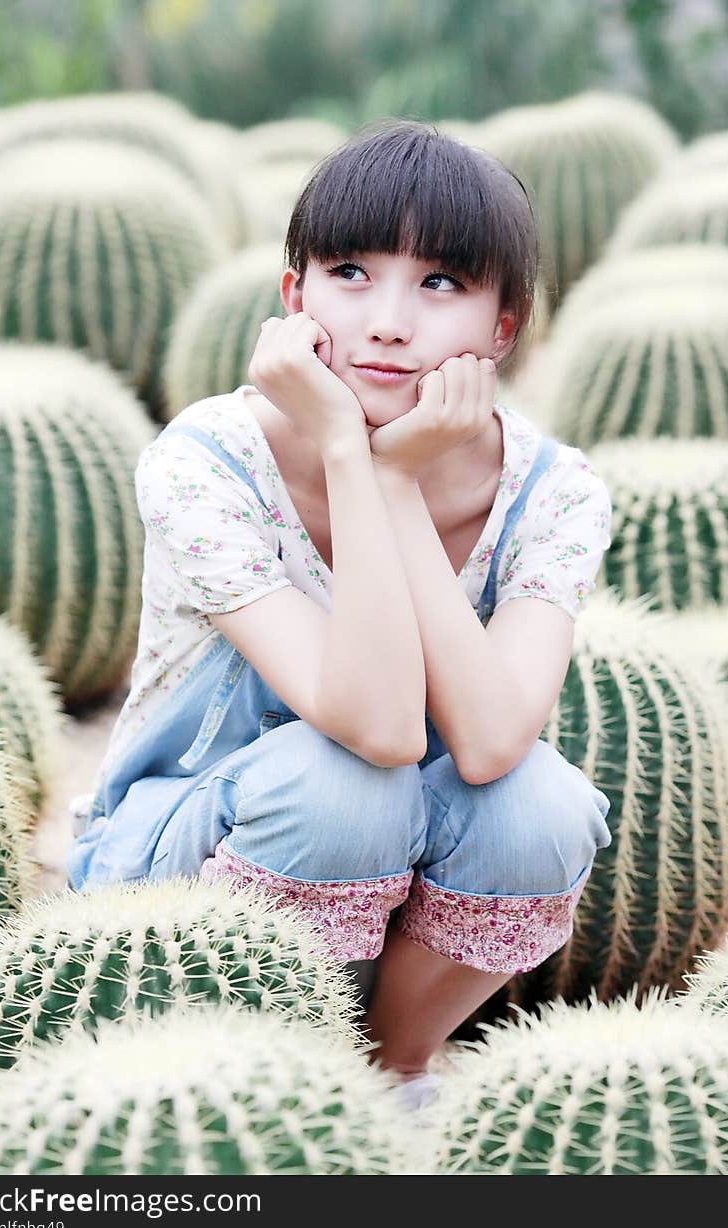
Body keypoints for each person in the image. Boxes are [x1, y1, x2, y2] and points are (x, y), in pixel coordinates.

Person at [66, 118, 613, 1098]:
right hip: (180, 877)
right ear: (294, 299)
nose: (388, 321)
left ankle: (388, 1074)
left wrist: (391, 483)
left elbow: (490, 746)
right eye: (351, 272)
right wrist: (354, 456)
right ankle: (260, 1075)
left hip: (403, 870)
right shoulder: (206, 463)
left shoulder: (554, 493)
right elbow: (375, 731)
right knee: (345, 783)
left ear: (502, 326)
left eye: (440, 282)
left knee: (543, 808)